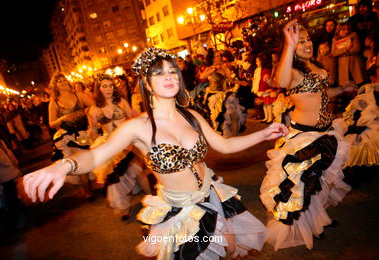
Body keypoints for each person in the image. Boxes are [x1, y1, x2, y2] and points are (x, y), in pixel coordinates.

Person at [22, 47, 288, 259]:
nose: (169, 77)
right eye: (159, 73)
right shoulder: (137, 126)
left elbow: (225, 145)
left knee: (228, 249)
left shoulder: (192, 115)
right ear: (147, 84)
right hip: (180, 211)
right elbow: (95, 156)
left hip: (211, 196)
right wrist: (63, 166)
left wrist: (263, 134)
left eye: (172, 71)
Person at [260, 20, 356, 251]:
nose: (307, 44)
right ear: (290, 45)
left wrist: (341, 89)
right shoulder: (290, 71)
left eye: (308, 39)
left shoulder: (316, 66)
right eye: (300, 41)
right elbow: (282, 82)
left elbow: (322, 93)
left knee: (321, 183)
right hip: (304, 138)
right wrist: (289, 45)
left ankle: (318, 219)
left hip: (327, 133)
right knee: (302, 187)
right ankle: (307, 226)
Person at [88, 73, 150, 218]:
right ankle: (123, 207)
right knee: (115, 180)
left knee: (138, 171)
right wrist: (91, 129)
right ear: (98, 89)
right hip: (111, 146)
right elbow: (93, 132)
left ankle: (153, 201)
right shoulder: (95, 109)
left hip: (128, 143)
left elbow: (132, 117)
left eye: (110, 85)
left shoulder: (121, 101)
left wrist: (136, 114)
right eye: (104, 86)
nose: (108, 89)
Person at [48, 73, 93, 199]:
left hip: (87, 132)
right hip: (70, 137)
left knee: (92, 160)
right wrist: (62, 118)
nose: (63, 83)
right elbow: (51, 123)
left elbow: (93, 104)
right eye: (59, 82)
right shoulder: (54, 102)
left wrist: (89, 111)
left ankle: (91, 185)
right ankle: (87, 191)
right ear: (55, 86)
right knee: (81, 162)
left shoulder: (77, 95)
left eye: (64, 80)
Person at [331, 22, 365, 86]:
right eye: (343, 29)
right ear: (339, 30)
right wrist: (346, 49)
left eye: (348, 29)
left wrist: (341, 53)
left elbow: (356, 49)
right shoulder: (335, 39)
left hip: (355, 64)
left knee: (360, 84)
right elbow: (334, 53)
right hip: (343, 66)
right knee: (347, 87)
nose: (346, 31)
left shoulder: (353, 35)